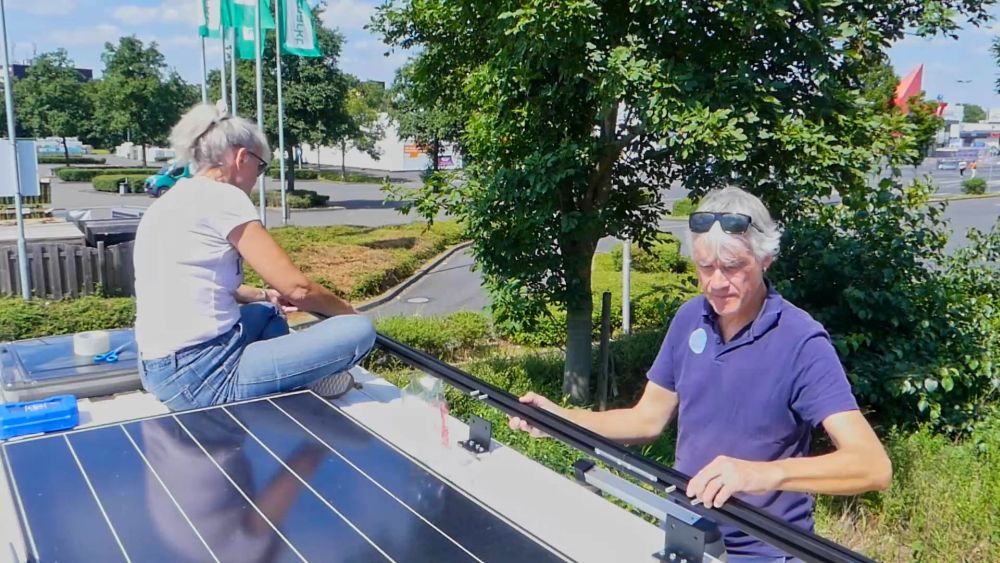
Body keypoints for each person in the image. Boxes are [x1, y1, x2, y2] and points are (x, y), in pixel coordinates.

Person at [509, 187, 892, 561]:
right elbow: (645, 419)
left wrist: (760, 475)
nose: (716, 283)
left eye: (732, 267)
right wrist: (559, 419)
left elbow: (872, 467)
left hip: (765, 551)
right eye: (704, 267)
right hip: (685, 535)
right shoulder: (690, 318)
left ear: (765, 260)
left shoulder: (801, 342)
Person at [134, 103, 375, 411]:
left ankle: (289, 377)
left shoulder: (172, 200)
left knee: (268, 311)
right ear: (242, 157)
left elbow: (209, 284)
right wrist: (348, 314)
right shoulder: (224, 196)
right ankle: (296, 381)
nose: (258, 177)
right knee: (359, 332)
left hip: (158, 368)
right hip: (203, 376)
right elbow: (298, 289)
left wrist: (264, 294)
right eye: (261, 167)